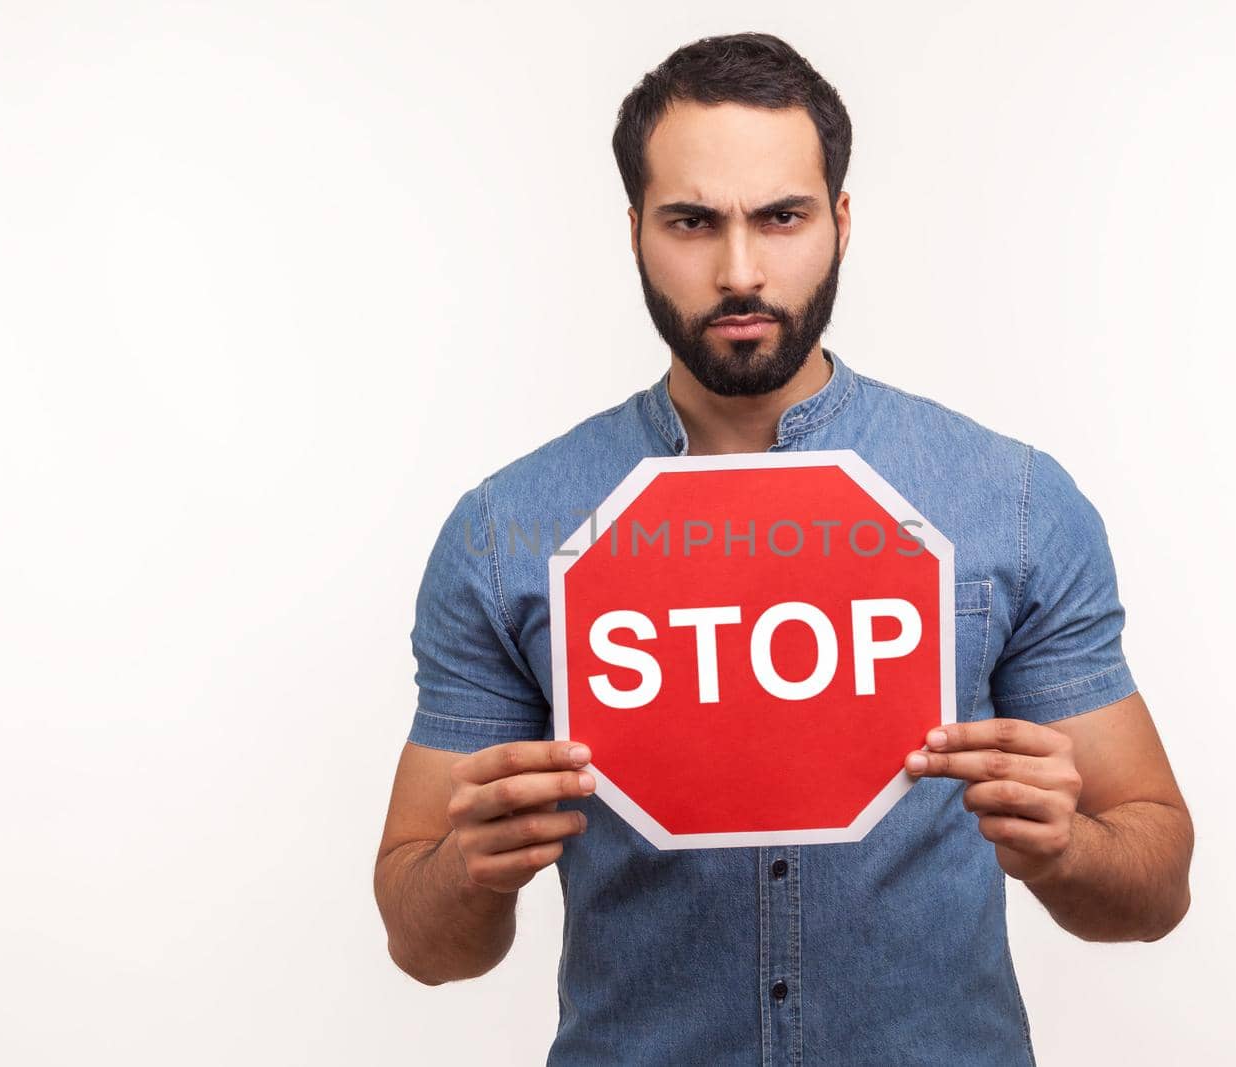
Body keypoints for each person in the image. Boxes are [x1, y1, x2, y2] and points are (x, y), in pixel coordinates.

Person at [374, 31, 1192, 1066]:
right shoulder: (508, 531)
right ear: (634, 232)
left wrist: (1067, 844)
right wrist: (470, 866)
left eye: (782, 216)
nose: (740, 269)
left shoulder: (1012, 503)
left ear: (840, 223)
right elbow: (423, 941)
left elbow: (1155, 889)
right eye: (691, 222)